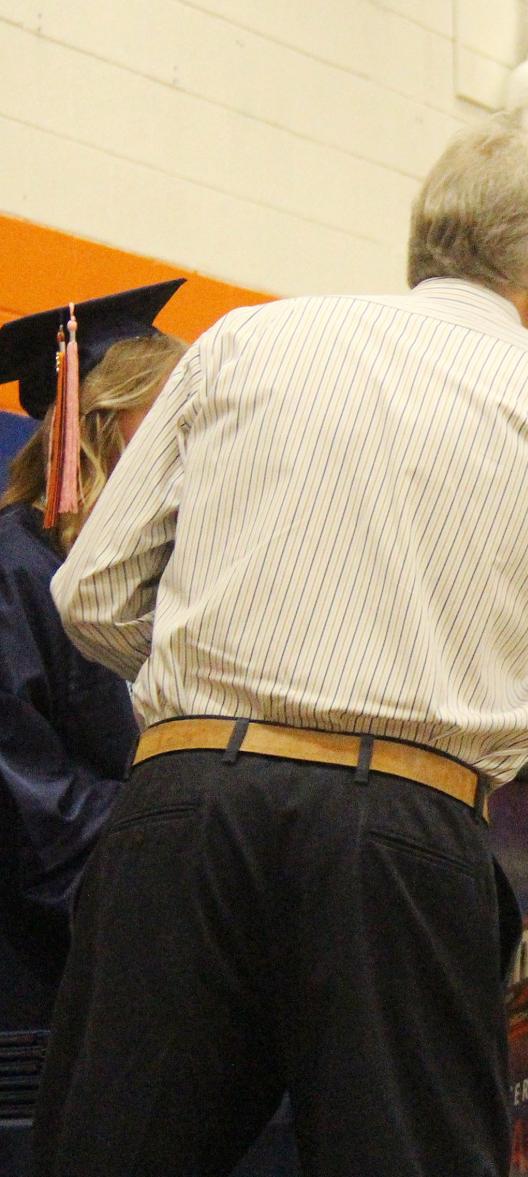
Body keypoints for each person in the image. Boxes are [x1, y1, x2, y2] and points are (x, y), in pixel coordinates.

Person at [34, 117, 528, 1177]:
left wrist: (225, 694)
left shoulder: (249, 339)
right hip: (395, 835)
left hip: (183, 806)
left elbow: (94, 595)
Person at [0, 281, 187, 1032]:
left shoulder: (166, 570)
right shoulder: (15, 568)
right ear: (102, 424)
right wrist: (175, 831)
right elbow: (25, 794)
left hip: (149, 934)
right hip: (44, 962)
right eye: (171, 418)